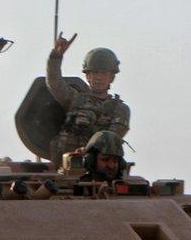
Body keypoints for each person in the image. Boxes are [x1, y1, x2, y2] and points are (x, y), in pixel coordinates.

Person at [45, 33, 130, 165]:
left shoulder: (120, 110)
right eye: (94, 72)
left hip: (98, 170)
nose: (98, 77)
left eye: (103, 73)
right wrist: (56, 57)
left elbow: (111, 138)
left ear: (111, 77)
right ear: (87, 76)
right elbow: (54, 83)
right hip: (64, 166)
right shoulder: (75, 100)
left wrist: (87, 150)